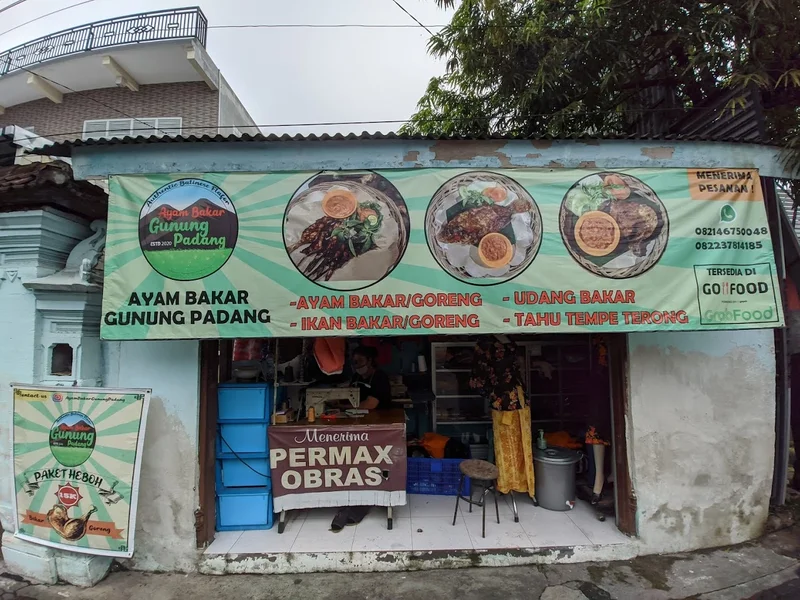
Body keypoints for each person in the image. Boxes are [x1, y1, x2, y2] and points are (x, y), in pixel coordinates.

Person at [350, 345, 392, 411]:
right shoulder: (356, 377)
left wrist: (344, 407)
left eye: (360, 361)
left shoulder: (380, 377)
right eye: (355, 362)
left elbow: (370, 404)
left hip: (380, 416)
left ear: (369, 361)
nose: (357, 365)